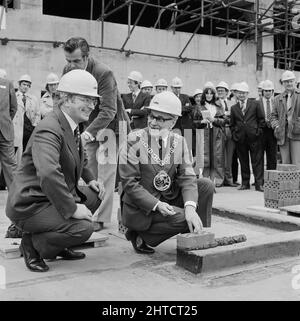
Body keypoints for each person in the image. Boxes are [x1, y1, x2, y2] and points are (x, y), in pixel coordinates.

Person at [6, 70, 105, 272]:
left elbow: (79, 158)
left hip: (48, 197)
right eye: (85, 99)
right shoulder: (49, 127)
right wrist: (72, 208)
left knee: (94, 195)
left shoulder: (72, 124)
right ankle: (32, 245)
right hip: (31, 204)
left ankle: (59, 244)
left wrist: (90, 178)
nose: (91, 105)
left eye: (93, 100)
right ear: (66, 99)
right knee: (83, 227)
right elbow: (49, 172)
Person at [119, 91, 214, 254]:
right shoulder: (133, 140)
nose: (153, 122)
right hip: (142, 206)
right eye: (152, 116)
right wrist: (157, 205)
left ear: (174, 121)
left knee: (205, 186)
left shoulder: (180, 141)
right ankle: (140, 235)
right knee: (183, 218)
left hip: (167, 196)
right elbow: (130, 184)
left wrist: (191, 208)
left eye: (161, 119)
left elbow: (188, 176)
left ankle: (194, 233)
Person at [63, 37, 130, 231]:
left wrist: (87, 134)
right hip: (89, 125)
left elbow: (108, 111)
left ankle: (101, 218)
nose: (71, 66)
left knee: (106, 173)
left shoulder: (103, 73)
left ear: (87, 57)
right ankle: (89, 210)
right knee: (89, 171)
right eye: (68, 60)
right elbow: (64, 100)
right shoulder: (68, 71)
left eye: (76, 61)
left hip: (113, 126)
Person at [230, 82, 265, 191]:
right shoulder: (234, 108)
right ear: (237, 94)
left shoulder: (255, 104)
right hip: (240, 139)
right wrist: (235, 134)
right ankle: (245, 183)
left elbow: (261, 120)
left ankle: (259, 184)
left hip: (254, 138)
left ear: (247, 93)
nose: (241, 95)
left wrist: (258, 132)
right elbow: (232, 124)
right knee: (243, 161)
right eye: (239, 93)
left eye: (243, 93)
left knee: (257, 161)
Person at [192, 82, 226, 187]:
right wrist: (201, 122)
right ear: (204, 95)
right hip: (203, 134)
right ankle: (205, 180)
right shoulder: (199, 107)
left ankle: (217, 180)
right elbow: (194, 122)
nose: (209, 95)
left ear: (214, 95)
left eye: (211, 93)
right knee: (204, 158)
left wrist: (214, 119)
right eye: (207, 93)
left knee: (217, 157)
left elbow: (225, 121)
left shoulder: (219, 106)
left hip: (216, 134)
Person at [271, 70, 300, 168]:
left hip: (297, 133)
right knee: (285, 163)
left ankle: (298, 183)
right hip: (282, 133)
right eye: (286, 81)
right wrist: (277, 126)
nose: (289, 83)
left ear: (295, 82)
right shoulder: (277, 98)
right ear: (283, 83)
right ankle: (287, 183)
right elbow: (273, 116)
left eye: (291, 81)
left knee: (297, 162)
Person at [216, 81, 238, 187]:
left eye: (222, 90)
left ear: (227, 92)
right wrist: (225, 116)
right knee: (220, 157)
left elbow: (235, 117)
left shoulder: (232, 103)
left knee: (229, 157)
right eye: (218, 90)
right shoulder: (214, 103)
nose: (220, 92)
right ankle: (220, 179)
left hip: (230, 130)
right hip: (219, 130)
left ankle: (229, 179)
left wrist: (226, 117)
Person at [0, 69, 18, 190]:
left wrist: (5, 120)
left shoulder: (7, 83)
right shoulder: (8, 83)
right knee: (11, 165)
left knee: (10, 165)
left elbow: (13, 107)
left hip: (5, 131)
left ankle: (16, 197)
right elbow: (13, 108)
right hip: (5, 128)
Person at [16, 74, 40, 151]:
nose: (26, 86)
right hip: (16, 129)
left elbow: (37, 113)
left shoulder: (33, 99)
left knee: (27, 151)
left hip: (29, 129)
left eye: (28, 85)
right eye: (24, 84)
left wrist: (34, 126)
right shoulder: (13, 96)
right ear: (19, 84)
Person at [259, 80, 277, 170]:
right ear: (263, 92)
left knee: (272, 156)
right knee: (259, 157)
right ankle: (260, 180)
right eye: (266, 90)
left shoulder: (276, 102)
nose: (268, 92)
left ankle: (271, 180)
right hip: (261, 132)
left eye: (270, 90)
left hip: (272, 132)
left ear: (272, 91)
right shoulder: (257, 103)